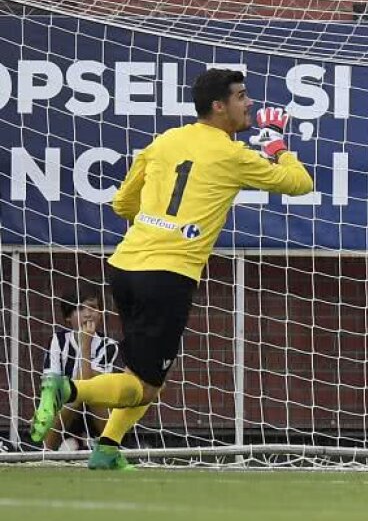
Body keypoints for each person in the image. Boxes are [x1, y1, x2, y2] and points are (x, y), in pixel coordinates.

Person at [30, 68, 314, 470]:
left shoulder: (165, 140)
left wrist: (155, 222)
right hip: (167, 276)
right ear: (219, 106)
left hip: (126, 266)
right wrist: (277, 144)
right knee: (140, 388)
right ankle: (68, 389)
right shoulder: (232, 155)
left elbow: (123, 204)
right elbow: (300, 183)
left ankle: (107, 448)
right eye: (241, 96)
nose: (248, 103)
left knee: (149, 377)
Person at [39, 288, 120, 451]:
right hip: (66, 410)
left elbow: (89, 385)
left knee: (90, 392)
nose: (88, 314)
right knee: (68, 396)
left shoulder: (109, 346)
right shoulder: (58, 340)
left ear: (100, 314)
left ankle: (107, 448)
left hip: (96, 414)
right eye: (80, 308)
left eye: (93, 307)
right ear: (68, 316)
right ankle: (47, 450)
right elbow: (51, 386)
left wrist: (86, 345)